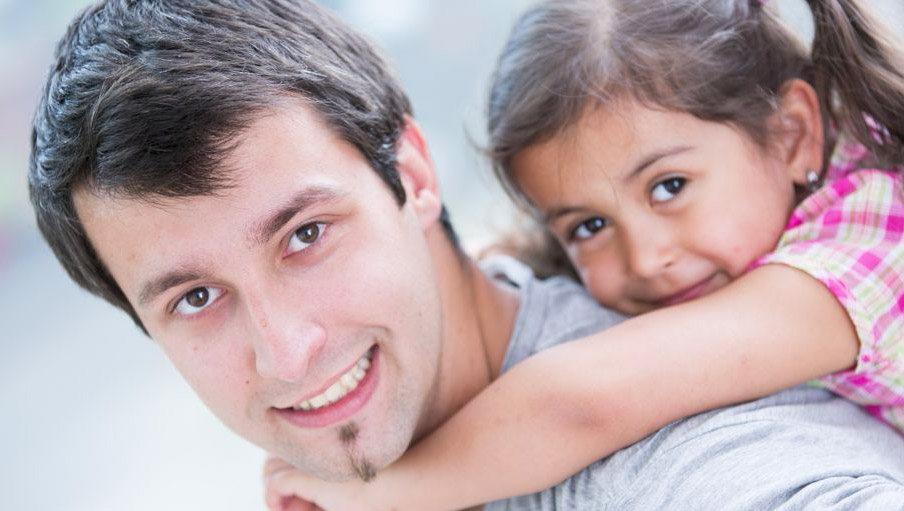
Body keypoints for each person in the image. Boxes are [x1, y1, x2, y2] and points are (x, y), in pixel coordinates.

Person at [27, 1, 904, 511]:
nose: (287, 352)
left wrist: (377, 493)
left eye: (306, 234)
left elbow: (600, 411)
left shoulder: (703, 437)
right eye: (192, 298)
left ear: (411, 174)